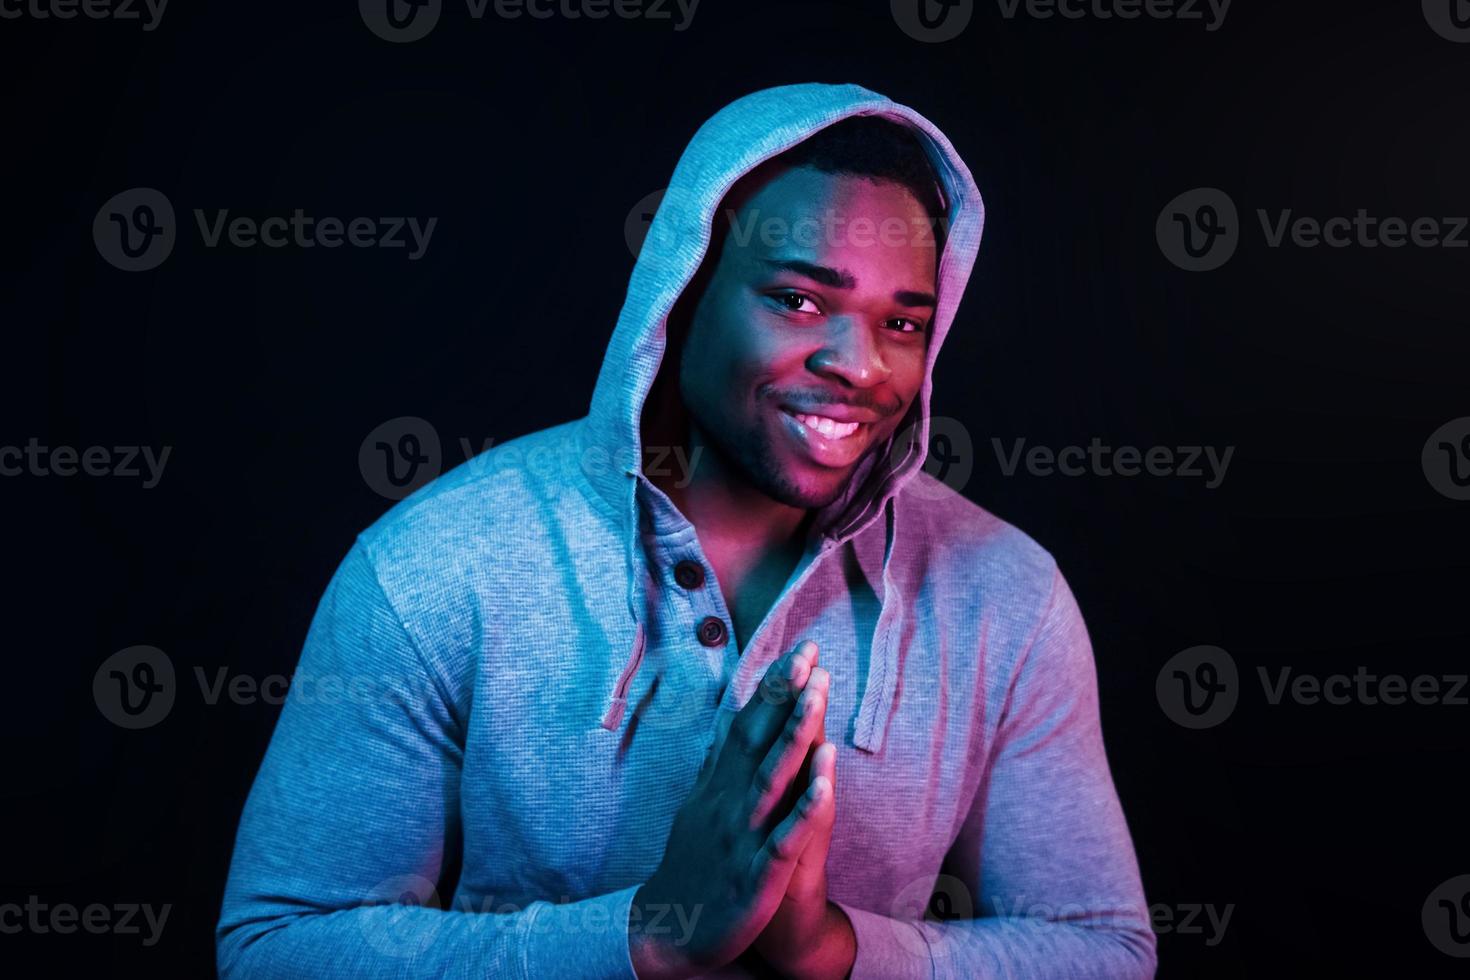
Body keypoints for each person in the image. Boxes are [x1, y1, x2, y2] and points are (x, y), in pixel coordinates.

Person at [216, 82, 1157, 979]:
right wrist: (650, 936)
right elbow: (279, 946)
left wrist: (831, 952)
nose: (859, 365)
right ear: (683, 287)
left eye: (903, 322)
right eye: (800, 300)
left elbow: (1104, 951)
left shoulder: (1006, 595)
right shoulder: (436, 568)